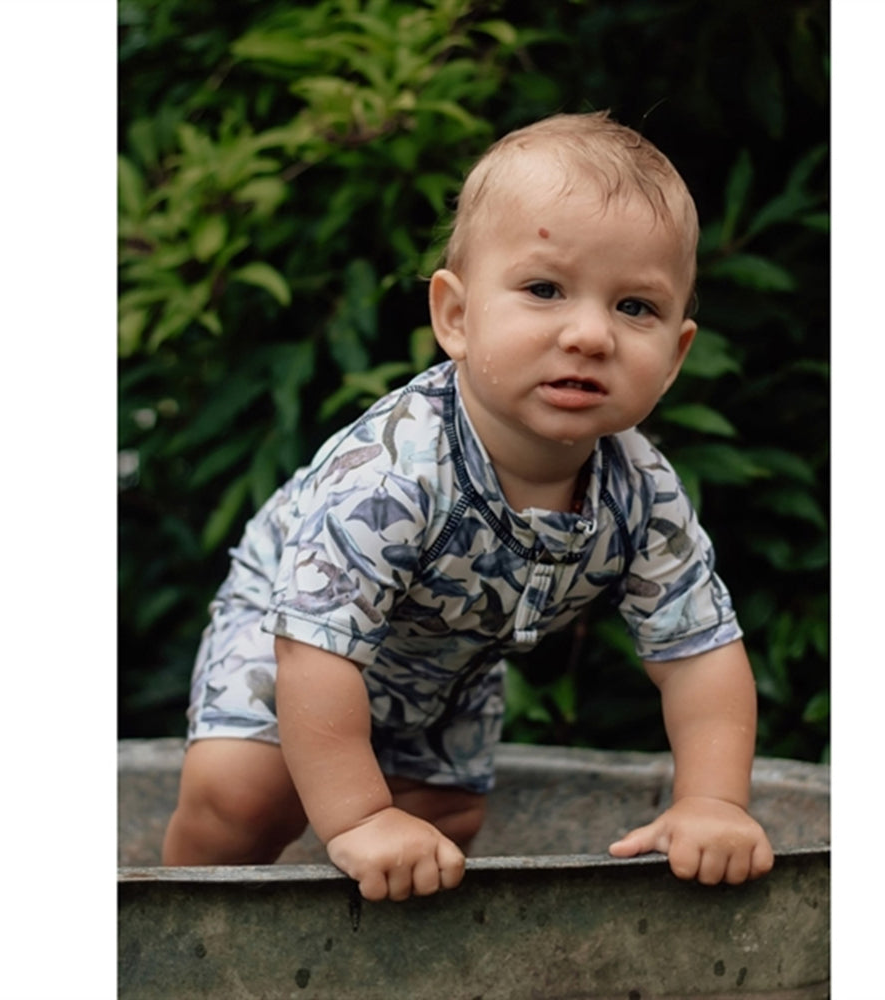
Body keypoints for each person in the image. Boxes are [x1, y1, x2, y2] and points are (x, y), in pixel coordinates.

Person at [162, 111, 775, 901]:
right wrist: (358, 818)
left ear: (675, 356)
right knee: (242, 792)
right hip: (294, 630)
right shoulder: (392, 473)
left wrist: (712, 802)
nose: (591, 334)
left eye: (635, 307)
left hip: (447, 666)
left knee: (442, 823)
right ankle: (171, 925)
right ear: (454, 316)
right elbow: (315, 654)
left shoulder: (642, 491)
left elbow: (699, 653)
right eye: (544, 290)